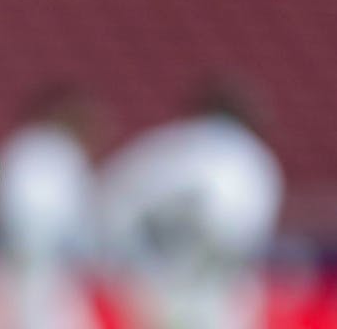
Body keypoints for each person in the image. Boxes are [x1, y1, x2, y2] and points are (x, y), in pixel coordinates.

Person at [97, 75, 284, 329]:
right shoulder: (249, 158)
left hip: (159, 280)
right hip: (211, 283)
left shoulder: (166, 145)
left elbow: (113, 201)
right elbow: (240, 227)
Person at [0, 83, 110, 329]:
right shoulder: (54, 151)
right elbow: (31, 216)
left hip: (21, 265)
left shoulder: (27, 146)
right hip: (35, 267)